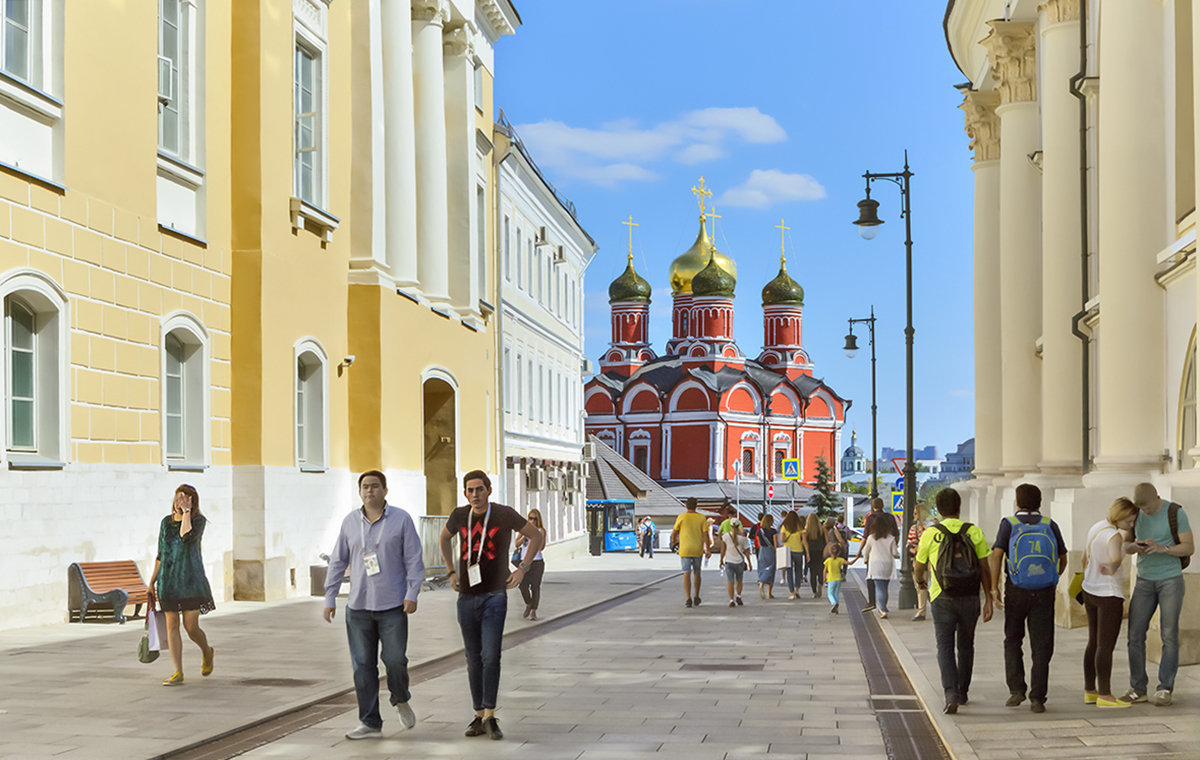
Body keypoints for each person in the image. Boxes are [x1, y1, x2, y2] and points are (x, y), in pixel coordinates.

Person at [440, 470, 544, 741]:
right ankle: (478, 714)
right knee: (472, 657)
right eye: (470, 490)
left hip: (494, 596)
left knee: (490, 655)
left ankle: (490, 714)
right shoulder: (459, 515)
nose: (475, 494)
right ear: (465, 493)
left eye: (480, 489)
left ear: (489, 490)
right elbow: (443, 538)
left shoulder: (504, 514)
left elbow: (536, 536)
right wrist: (451, 572)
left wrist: (523, 568)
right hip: (466, 597)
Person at [323, 470, 424, 740]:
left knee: (394, 660)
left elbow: (414, 559)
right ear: (360, 492)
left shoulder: (401, 520)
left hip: (393, 605)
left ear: (385, 490)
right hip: (358, 607)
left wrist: (412, 593)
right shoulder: (349, 523)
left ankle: (400, 698)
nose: (370, 491)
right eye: (365, 487)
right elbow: (337, 561)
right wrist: (330, 596)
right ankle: (370, 722)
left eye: (375, 486)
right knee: (362, 667)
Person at [988, 483, 1068, 713]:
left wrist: (994, 588)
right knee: (1042, 644)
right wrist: (1052, 577)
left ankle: (1016, 690)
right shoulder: (1049, 524)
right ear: (1040, 502)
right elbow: (1063, 556)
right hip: (1044, 591)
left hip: (1016, 589)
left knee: (1013, 639)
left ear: (1017, 502)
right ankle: (1038, 697)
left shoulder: (1009, 524)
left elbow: (996, 556)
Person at [913, 487, 994, 715]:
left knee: (945, 646)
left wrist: (920, 582)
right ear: (959, 508)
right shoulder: (974, 532)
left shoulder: (930, 534)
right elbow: (985, 568)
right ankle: (963, 692)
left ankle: (950, 693)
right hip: (970, 597)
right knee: (966, 645)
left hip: (942, 597)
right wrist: (989, 597)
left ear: (938, 510)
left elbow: (919, 566)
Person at [1121, 482, 1194, 706]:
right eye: (1141, 509)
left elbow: (1189, 547)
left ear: (1156, 498)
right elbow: (1124, 545)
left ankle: (1165, 688)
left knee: (1169, 634)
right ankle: (1138, 687)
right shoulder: (1136, 514)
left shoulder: (1175, 512)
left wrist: (1164, 549)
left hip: (1170, 579)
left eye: (1149, 508)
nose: (1145, 513)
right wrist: (1135, 547)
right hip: (1144, 580)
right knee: (1134, 635)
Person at [148, 484, 215, 688]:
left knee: (191, 627)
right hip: (169, 580)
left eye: (186, 498)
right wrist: (151, 582)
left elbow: (186, 536)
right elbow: (161, 553)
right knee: (171, 625)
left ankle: (206, 650)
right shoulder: (166, 523)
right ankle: (178, 671)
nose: (181, 501)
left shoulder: (198, 521)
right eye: (178, 497)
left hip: (190, 581)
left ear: (193, 501)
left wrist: (186, 512)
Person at [1082, 497, 1138, 708]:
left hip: (1090, 590)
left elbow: (1085, 557)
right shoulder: (1114, 535)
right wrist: (1112, 567)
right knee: (1106, 646)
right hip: (1109, 594)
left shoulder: (1097, 527)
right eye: (1130, 520)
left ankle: (1090, 690)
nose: (1131, 525)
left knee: (1093, 642)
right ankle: (1105, 695)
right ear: (1121, 516)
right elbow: (1114, 559)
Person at [672, 498, 712, 608]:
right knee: (697, 573)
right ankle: (696, 596)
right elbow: (705, 535)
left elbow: (674, 533)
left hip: (684, 549)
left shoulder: (681, 517)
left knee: (686, 573)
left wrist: (673, 542)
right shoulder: (701, 517)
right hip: (697, 549)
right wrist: (707, 549)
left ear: (686, 506)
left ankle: (688, 597)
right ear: (696, 505)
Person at [862, 511, 899, 619]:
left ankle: (882, 609)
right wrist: (898, 555)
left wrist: (865, 560)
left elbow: (866, 551)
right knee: (885, 587)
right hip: (887, 564)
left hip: (875, 564)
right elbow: (895, 553)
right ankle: (884, 607)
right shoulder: (891, 538)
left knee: (879, 587)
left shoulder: (871, 538)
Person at [852, 498, 886, 612]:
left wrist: (859, 552)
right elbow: (896, 534)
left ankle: (872, 602)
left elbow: (865, 537)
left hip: (873, 551)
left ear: (873, 506)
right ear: (883, 505)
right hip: (885, 551)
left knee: (871, 577)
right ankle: (883, 605)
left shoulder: (870, 518)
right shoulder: (889, 518)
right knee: (883, 579)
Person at [516, 508, 546, 621]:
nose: (532, 521)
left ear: (538, 520)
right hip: (524, 562)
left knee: (535, 587)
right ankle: (528, 603)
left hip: (537, 562)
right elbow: (516, 543)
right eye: (530, 518)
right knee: (522, 585)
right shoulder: (523, 530)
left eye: (535, 518)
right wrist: (524, 536)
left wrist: (536, 538)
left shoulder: (541, 530)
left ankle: (533, 611)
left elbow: (541, 547)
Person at [908, 502, 932, 621]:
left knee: (924, 585)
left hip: (929, 560)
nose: (914, 515)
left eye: (916, 513)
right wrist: (914, 549)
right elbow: (909, 544)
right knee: (919, 586)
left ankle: (923, 610)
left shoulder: (931, 527)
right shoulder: (914, 528)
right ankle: (924, 608)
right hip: (918, 559)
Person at [720, 522, 753, 607]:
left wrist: (720, 560)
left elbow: (723, 550)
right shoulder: (743, 538)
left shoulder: (725, 537)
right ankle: (738, 596)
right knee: (739, 580)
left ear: (730, 526)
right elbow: (747, 552)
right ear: (739, 526)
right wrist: (749, 563)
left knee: (730, 582)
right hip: (739, 562)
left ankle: (731, 600)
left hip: (729, 561)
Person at [780, 511, 806, 599]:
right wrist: (808, 553)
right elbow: (804, 541)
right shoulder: (800, 526)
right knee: (798, 570)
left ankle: (791, 593)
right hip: (798, 550)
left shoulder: (784, 526)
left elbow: (782, 539)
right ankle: (797, 589)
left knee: (789, 571)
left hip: (787, 551)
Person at [756, 514, 779, 599]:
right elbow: (776, 544)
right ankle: (769, 593)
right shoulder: (773, 531)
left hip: (762, 551)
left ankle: (761, 583)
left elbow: (758, 544)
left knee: (762, 568)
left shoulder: (759, 531)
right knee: (771, 570)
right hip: (771, 552)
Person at [804, 513, 826, 598]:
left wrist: (807, 553)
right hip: (820, 552)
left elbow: (805, 543)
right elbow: (826, 541)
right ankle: (820, 583)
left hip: (811, 553)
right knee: (820, 571)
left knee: (812, 573)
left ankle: (814, 591)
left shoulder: (806, 531)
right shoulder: (822, 529)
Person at [824, 543, 847, 614]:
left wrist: (824, 578)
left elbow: (825, 570)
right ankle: (836, 608)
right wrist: (857, 557)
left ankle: (834, 603)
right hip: (838, 579)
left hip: (831, 579)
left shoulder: (828, 560)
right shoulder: (840, 559)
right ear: (839, 551)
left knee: (830, 593)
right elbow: (850, 563)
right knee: (836, 593)